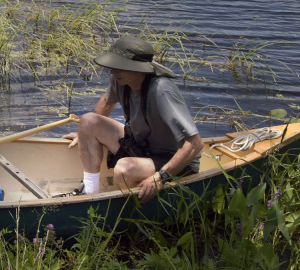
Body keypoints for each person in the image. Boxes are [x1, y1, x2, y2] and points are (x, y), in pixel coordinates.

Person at [63, 36, 203, 201]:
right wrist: (84, 134)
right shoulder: (120, 80)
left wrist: (160, 176)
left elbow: (195, 144)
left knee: (123, 169)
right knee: (88, 121)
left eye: (119, 67)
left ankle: (138, 210)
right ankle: (90, 193)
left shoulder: (162, 90)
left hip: (172, 161)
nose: (113, 72)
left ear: (138, 69)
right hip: (141, 147)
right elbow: (107, 100)